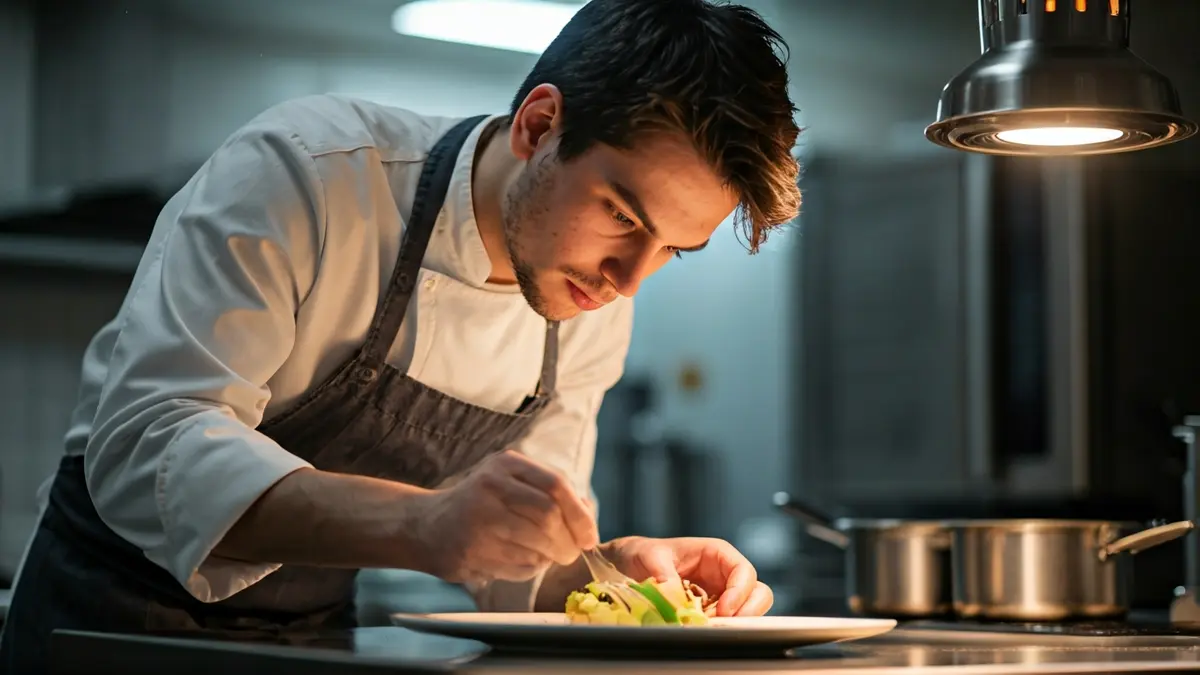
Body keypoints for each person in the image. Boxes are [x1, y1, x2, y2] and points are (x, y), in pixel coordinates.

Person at [0, 0, 802, 670]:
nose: (629, 279)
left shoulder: (590, 300)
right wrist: (423, 522)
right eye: (623, 217)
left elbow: (523, 557)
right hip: (107, 626)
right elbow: (149, 447)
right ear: (540, 124)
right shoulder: (310, 174)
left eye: (673, 249)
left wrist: (618, 572)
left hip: (311, 645)